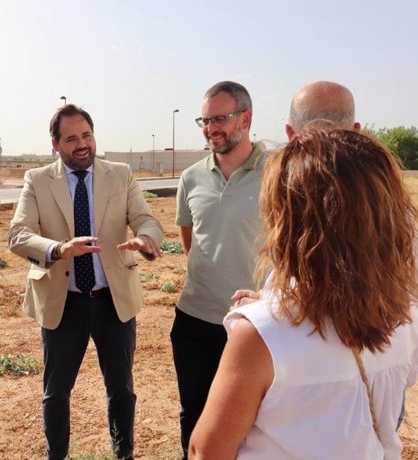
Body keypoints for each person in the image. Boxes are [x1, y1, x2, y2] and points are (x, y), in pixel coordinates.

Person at [189, 129, 418, 460]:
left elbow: (207, 450)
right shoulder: (406, 312)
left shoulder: (260, 336)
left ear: (291, 223)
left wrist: (268, 314)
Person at [8, 104, 163, 460]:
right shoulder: (37, 180)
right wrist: (60, 249)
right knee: (56, 393)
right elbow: (18, 234)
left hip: (113, 299)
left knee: (121, 389)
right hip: (64, 302)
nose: (82, 145)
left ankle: (123, 454)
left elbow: (145, 218)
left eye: (87, 135)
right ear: (56, 144)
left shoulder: (120, 175)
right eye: (72, 138)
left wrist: (145, 237)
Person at [171, 81, 266, 459]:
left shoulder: (280, 172)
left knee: (256, 426)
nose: (212, 128)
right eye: (205, 120)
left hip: (257, 326)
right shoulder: (191, 177)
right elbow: (189, 235)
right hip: (195, 320)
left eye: (220, 119)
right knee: (194, 417)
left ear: (246, 118)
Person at [232, 80, 361, 307]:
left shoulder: (292, 194)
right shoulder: (396, 211)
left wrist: (260, 312)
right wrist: (267, 299)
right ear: (356, 131)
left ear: (291, 133)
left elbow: (309, 300)